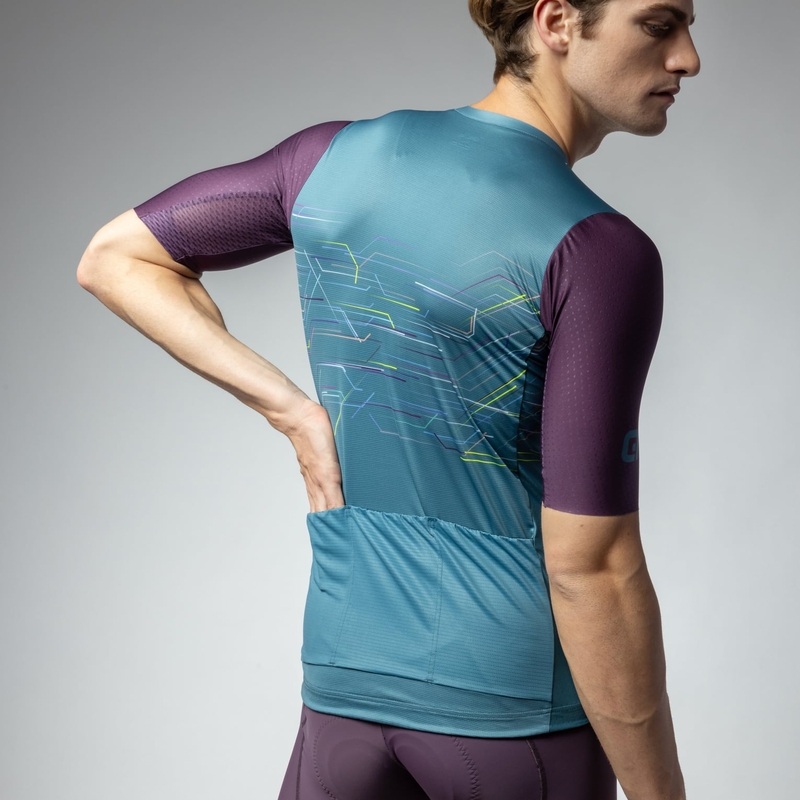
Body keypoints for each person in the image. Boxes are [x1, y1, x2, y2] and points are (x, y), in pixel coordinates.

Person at [77, 0, 700, 797]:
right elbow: (596, 569)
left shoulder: (329, 159)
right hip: (511, 714)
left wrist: (291, 412)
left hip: (343, 686)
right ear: (556, 21)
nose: (688, 58)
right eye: (659, 24)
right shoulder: (599, 250)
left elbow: (116, 258)